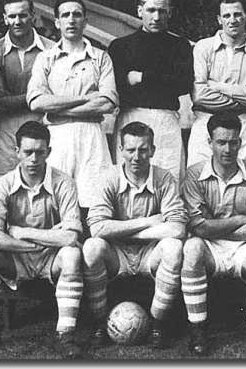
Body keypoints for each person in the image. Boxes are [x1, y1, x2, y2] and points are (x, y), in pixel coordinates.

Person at [0, 121, 86, 358]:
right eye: (27, 152)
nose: (33, 159)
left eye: (40, 152)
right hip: (17, 259)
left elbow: (70, 237)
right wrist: (41, 241)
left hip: (52, 259)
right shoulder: (2, 185)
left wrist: (22, 231)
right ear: (17, 151)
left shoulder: (64, 183)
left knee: (72, 254)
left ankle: (65, 334)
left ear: (49, 152)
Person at [181, 114, 246, 356]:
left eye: (233, 142)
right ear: (210, 142)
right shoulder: (195, 175)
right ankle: (197, 328)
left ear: (240, 142)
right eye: (221, 142)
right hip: (210, 248)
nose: (228, 149)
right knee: (192, 248)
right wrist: (239, 219)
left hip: (243, 249)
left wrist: (217, 227)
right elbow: (198, 228)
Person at [83, 121, 187, 349]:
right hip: (117, 254)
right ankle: (100, 322)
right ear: (120, 150)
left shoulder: (164, 178)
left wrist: (125, 230)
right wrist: (147, 222)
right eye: (130, 150)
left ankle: (158, 324)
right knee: (92, 247)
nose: (136, 156)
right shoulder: (108, 177)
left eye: (142, 149)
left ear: (152, 150)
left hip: (150, 253)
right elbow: (97, 228)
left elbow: (178, 228)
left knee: (173, 247)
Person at [26, 0, 118, 222]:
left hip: (92, 137)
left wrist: (56, 106)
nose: (71, 20)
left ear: (85, 20)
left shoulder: (100, 57)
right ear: (56, 21)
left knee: (93, 203)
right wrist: (83, 100)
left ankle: (89, 254)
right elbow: (37, 102)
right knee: (55, 202)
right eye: (65, 15)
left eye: (77, 14)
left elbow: (107, 102)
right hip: (57, 137)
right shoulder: (46, 58)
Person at [109, 0, 193, 184]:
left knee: (169, 178)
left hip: (166, 121)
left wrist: (141, 77)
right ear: (140, 11)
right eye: (151, 10)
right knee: (129, 179)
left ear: (169, 12)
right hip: (131, 117)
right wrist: (163, 79)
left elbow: (182, 84)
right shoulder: (121, 46)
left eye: (162, 11)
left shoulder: (180, 46)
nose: (156, 17)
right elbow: (118, 85)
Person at [188, 0, 246, 167]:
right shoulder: (203, 47)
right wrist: (245, 99)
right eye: (226, 16)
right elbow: (200, 95)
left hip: (244, 128)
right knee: (200, 182)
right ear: (219, 19)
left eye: (237, 14)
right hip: (205, 125)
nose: (232, 20)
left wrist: (220, 87)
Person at [0, 0, 54, 176]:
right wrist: (38, 97)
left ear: (33, 16)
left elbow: (57, 95)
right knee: (5, 189)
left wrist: (16, 100)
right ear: (5, 18)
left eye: (23, 15)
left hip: (45, 129)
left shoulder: (52, 50)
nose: (18, 21)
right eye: (12, 16)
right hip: (5, 135)